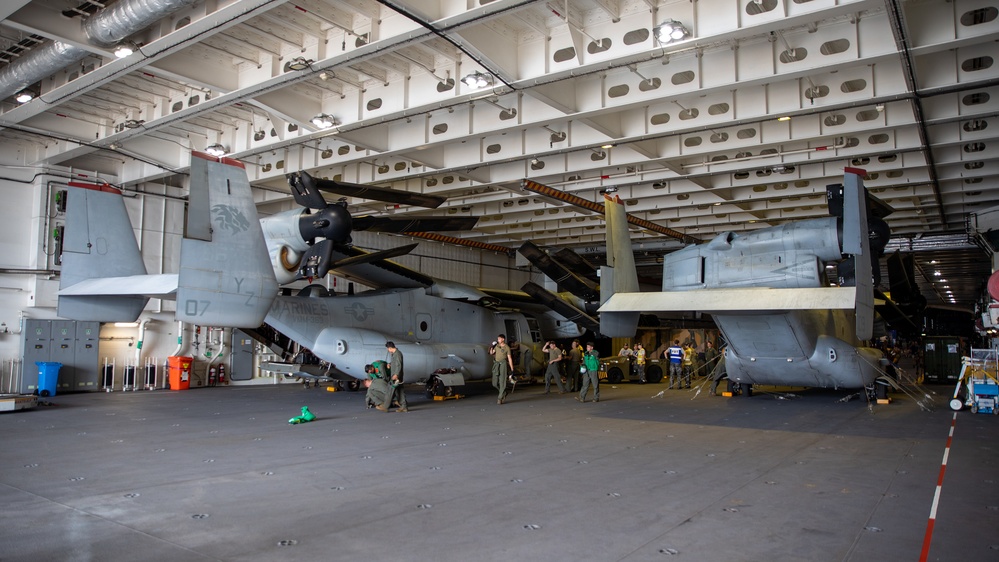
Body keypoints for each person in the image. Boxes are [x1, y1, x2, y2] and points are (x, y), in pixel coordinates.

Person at [377, 341, 408, 412]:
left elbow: (398, 365)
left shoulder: (397, 354)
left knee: (391, 390)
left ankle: (386, 406)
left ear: (390, 348)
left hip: (396, 376)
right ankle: (403, 406)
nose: (388, 350)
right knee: (399, 391)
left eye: (388, 349)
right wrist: (390, 364)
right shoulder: (395, 354)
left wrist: (396, 374)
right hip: (395, 375)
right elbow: (396, 363)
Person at [489, 333, 515, 404]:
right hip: (496, 364)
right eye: (498, 339)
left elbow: (509, 358)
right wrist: (492, 346)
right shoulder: (497, 346)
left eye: (499, 339)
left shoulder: (507, 348)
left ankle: (499, 398)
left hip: (503, 364)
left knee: (502, 381)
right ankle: (504, 392)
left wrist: (512, 369)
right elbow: (492, 353)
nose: (498, 340)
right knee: (494, 383)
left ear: (503, 339)